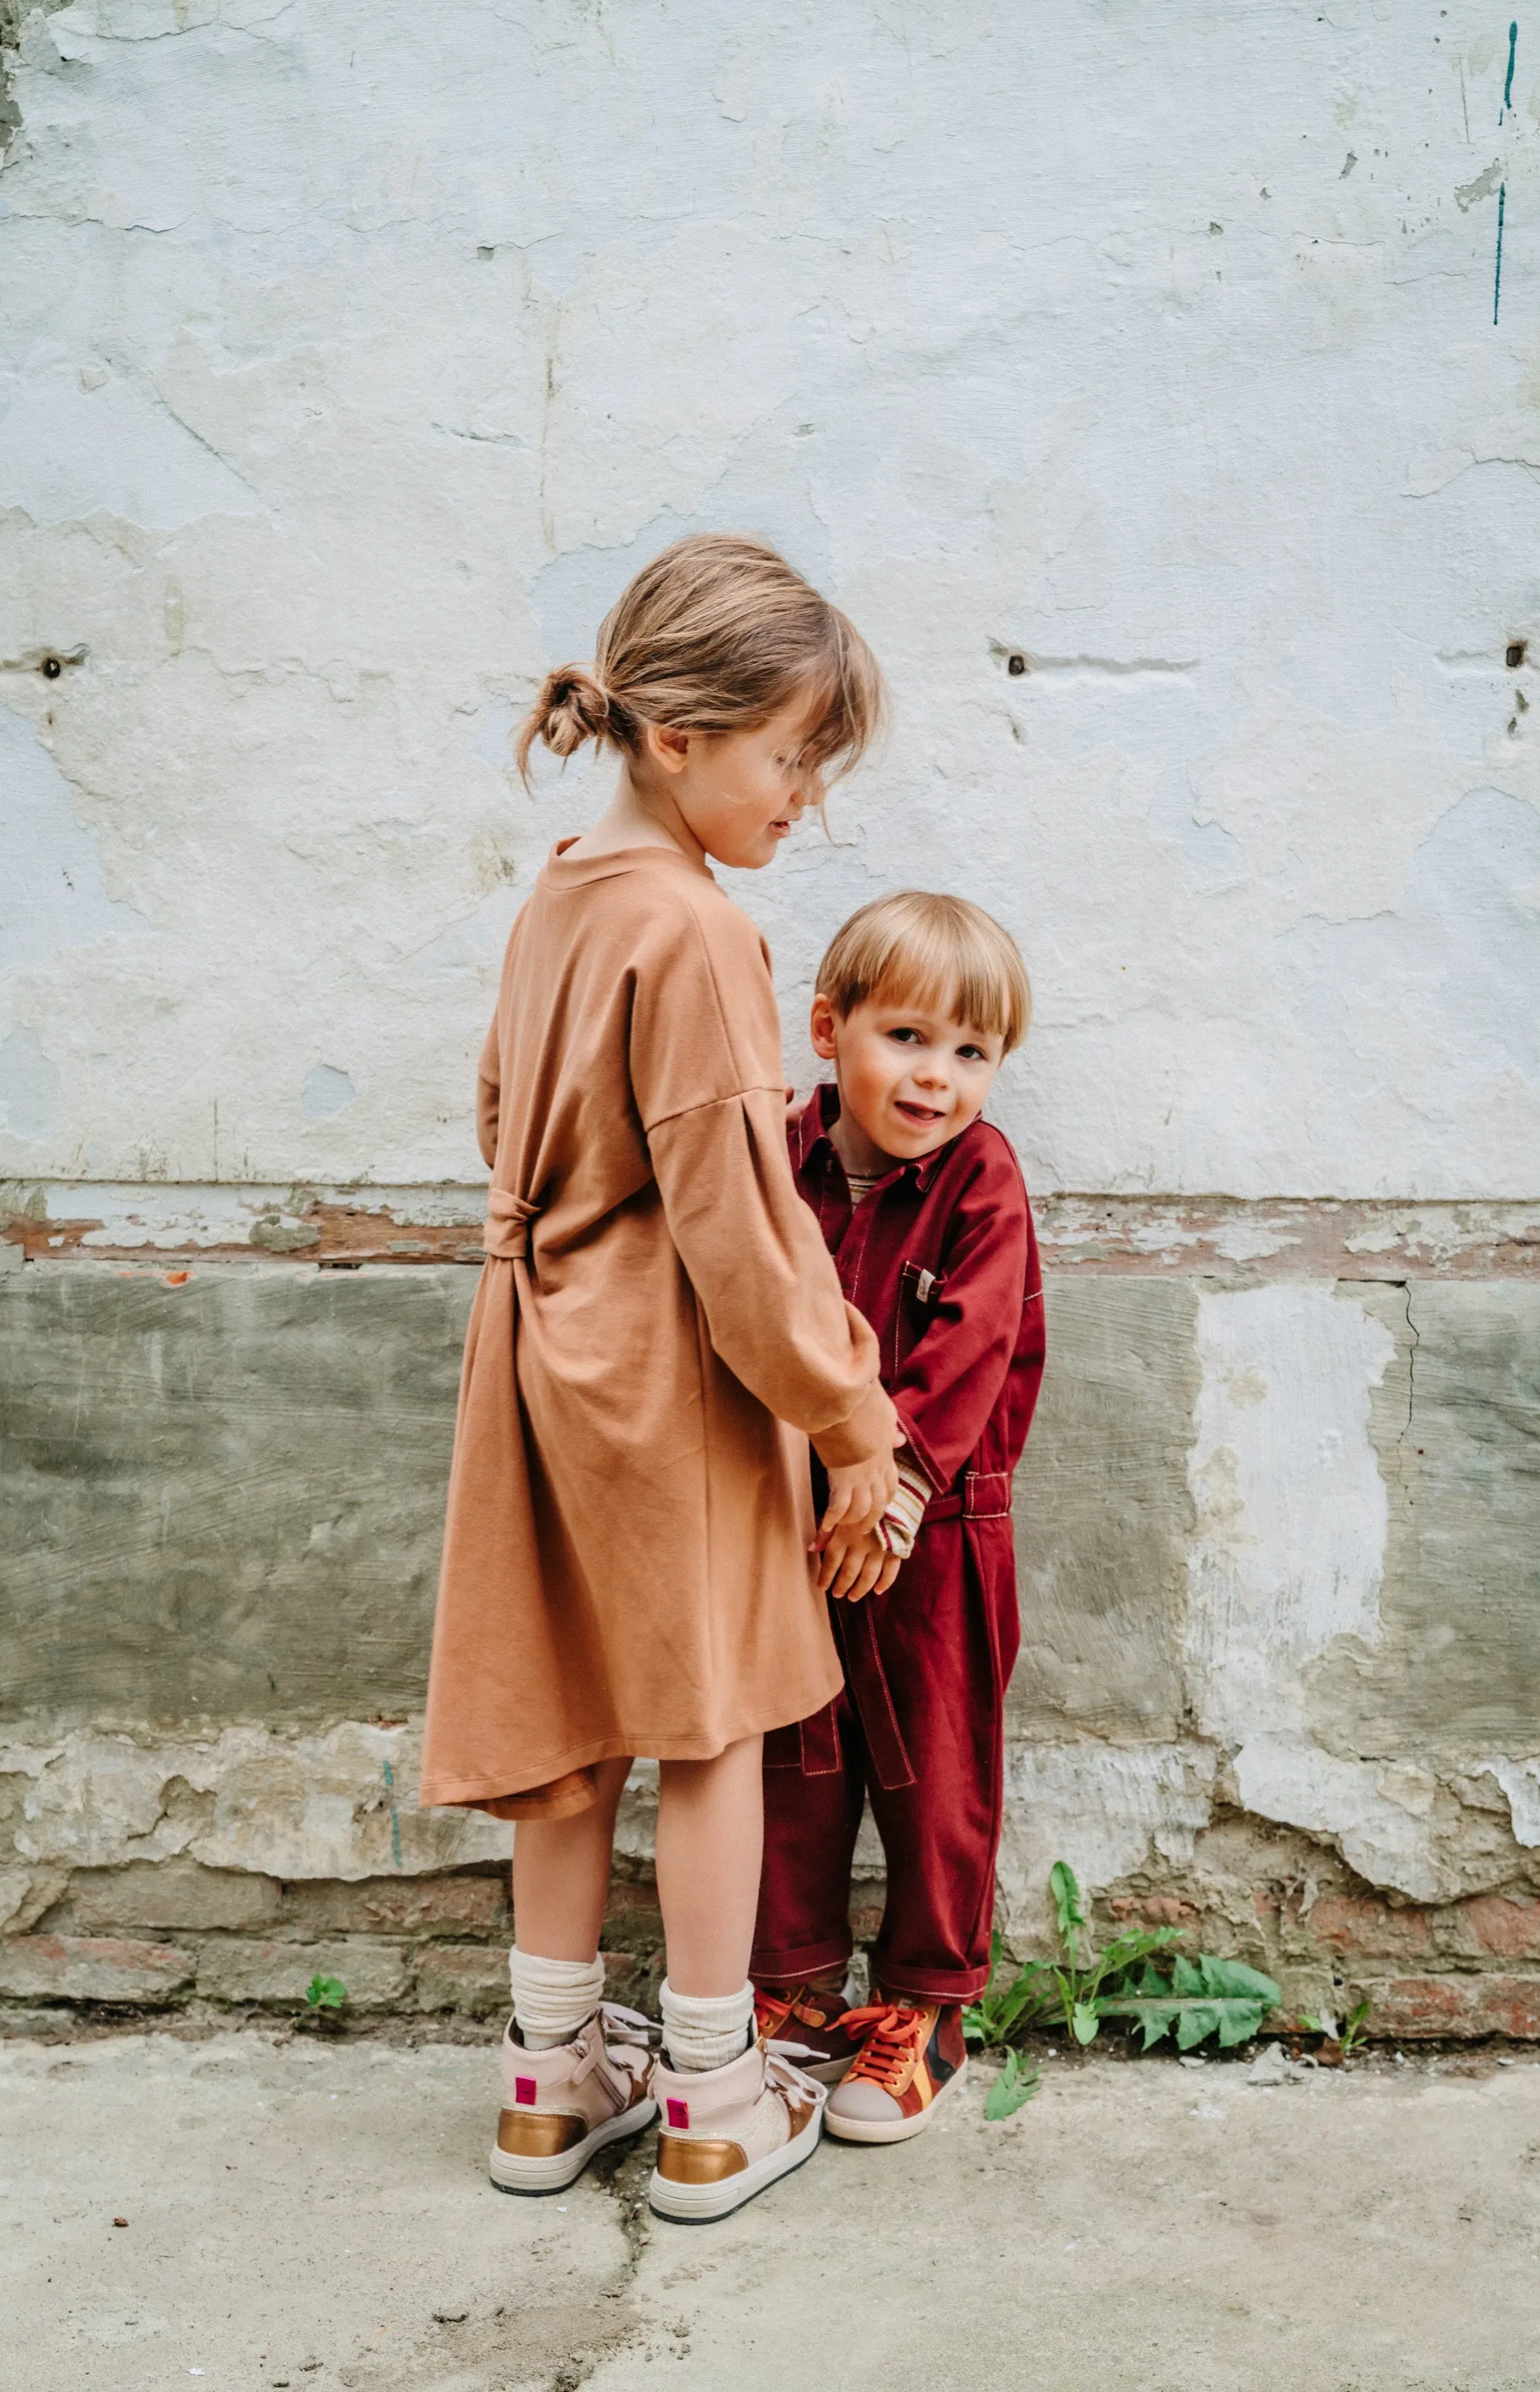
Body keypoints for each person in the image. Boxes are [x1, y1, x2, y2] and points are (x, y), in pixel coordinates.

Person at [419, 533, 903, 2222]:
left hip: (537, 1344)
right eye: (791, 758)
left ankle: (552, 2077)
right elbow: (737, 1224)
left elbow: (500, 1118)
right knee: (712, 1724)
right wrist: (853, 1419)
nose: (805, 802)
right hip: (669, 1380)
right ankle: (711, 2089)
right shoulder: (695, 929)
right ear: (683, 738)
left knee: (567, 1729)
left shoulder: (561, 887)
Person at [751, 890, 1045, 2143]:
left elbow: (972, 1349)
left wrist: (898, 1491)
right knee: (788, 1765)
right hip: (783, 1523)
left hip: (937, 1532)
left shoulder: (982, 1183)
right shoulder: (775, 1156)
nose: (939, 1078)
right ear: (830, 1029)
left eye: (972, 1053)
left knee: (936, 1780)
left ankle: (924, 2010)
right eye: (909, 1039)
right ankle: (793, 1993)